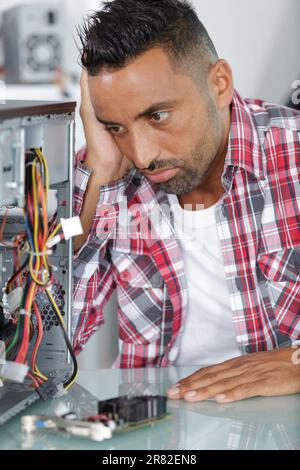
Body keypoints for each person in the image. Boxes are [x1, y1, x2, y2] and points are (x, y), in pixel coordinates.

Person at [72, 0, 300, 403]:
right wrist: (101, 176)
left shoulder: (292, 154)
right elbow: (38, 353)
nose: (142, 156)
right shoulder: (107, 176)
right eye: (115, 126)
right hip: (154, 431)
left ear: (220, 84)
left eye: (157, 116)